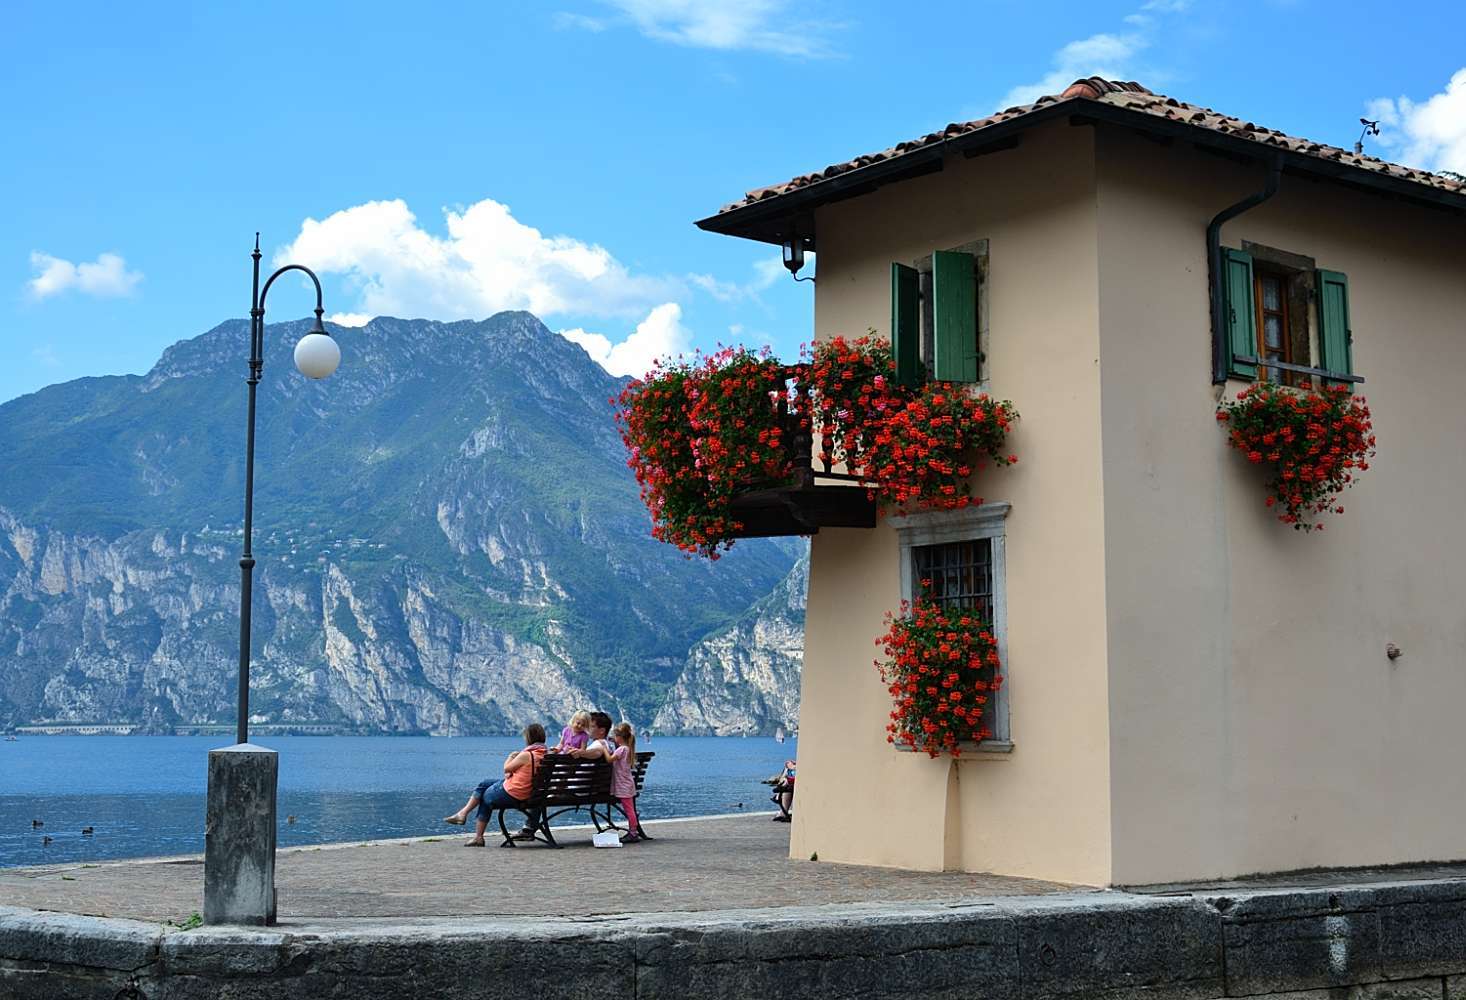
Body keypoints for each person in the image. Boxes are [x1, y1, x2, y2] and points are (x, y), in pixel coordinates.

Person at [443, 723, 547, 846]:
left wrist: (511, 757)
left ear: (529, 738)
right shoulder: (547, 754)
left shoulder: (527, 755)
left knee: (485, 795)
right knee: (485, 783)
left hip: (516, 793)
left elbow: (507, 769)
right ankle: (463, 813)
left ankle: (478, 836)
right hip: (534, 793)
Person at [607, 722, 646, 844]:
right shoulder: (627, 749)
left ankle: (633, 832)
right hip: (628, 785)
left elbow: (609, 759)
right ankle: (633, 824)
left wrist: (603, 749)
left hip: (623, 786)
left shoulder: (621, 750)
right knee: (630, 809)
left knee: (629, 810)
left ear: (619, 738)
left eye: (615, 736)